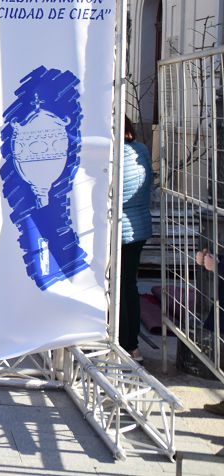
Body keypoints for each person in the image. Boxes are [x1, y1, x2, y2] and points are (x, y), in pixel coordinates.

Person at [119, 117, 152, 362]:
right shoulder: (140, 149)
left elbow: (120, 194)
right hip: (138, 228)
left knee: (119, 288)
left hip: (121, 229)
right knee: (129, 285)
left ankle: (125, 343)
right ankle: (133, 346)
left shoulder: (117, 154)